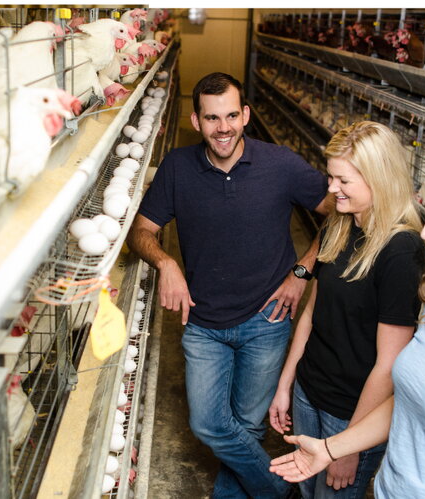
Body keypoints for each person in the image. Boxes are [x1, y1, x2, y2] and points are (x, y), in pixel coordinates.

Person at [126, 72, 332, 499]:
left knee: (247, 427)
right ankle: (279, 489)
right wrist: (166, 263)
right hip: (203, 323)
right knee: (209, 425)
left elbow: (341, 210)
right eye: (212, 117)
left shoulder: (281, 163)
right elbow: (141, 231)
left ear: (246, 115)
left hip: (267, 319)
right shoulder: (178, 167)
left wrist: (302, 271)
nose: (224, 127)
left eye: (232, 115)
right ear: (196, 120)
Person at [270, 164, 425, 495]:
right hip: (390, 485)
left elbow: (388, 367)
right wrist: (331, 448)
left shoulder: (400, 251)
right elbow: (408, 398)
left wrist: (345, 447)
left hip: (348, 406)